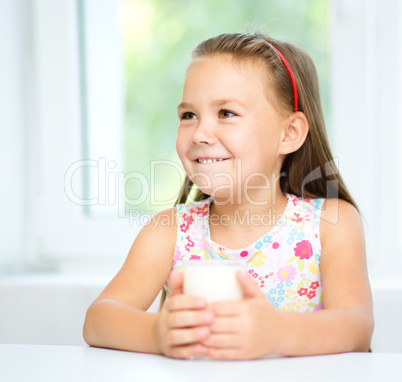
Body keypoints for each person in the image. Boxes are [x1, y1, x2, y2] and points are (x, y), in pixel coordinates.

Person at [83, 33, 374, 359]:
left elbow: (357, 326)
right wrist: (157, 333)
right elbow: (98, 320)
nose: (201, 133)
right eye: (188, 115)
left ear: (289, 133)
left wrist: (276, 334)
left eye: (226, 113)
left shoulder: (329, 224)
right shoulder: (169, 231)